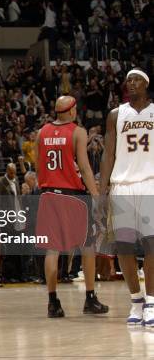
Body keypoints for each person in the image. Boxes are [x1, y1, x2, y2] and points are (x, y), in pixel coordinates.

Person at [36, 95, 109, 318]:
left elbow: (39, 168)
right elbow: (85, 169)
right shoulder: (78, 132)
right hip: (72, 196)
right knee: (86, 246)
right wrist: (96, 197)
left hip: (48, 195)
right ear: (72, 110)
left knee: (52, 250)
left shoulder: (42, 132)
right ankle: (89, 298)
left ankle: (52, 302)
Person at [98, 69, 154, 327]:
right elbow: (108, 153)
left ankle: (152, 301)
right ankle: (136, 300)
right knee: (124, 246)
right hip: (122, 184)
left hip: (150, 183)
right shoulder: (116, 115)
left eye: (137, 80)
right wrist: (102, 190)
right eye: (128, 80)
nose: (131, 83)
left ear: (146, 84)